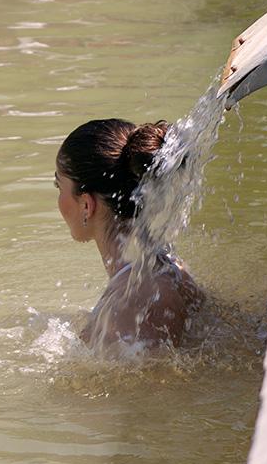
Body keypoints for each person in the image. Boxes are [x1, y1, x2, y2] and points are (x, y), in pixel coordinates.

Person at [54, 118, 200, 352]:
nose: (58, 200)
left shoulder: (133, 303)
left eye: (59, 186)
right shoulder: (171, 269)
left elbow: (157, 387)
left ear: (86, 205)